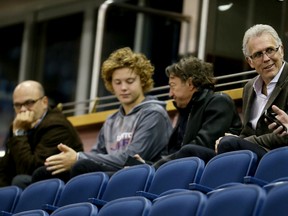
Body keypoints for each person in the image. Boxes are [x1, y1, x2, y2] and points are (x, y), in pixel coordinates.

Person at [32, 47, 173, 182]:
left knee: (82, 167)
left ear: (142, 81)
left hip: (138, 176)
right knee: (44, 173)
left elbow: (132, 158)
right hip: (110, 175)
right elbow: (96, 154)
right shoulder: (111, 120)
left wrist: (78, 157)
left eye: (130, 81)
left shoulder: (154, 114)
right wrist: (71, 159)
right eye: (117, 82)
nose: (123, 88)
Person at [136, 55, 242, 168]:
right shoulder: (186, 109)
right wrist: (147, 165)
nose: (170, 94)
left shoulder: (219, 102)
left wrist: (154, 168)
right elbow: (175, 153)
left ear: (190, 84)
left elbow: (198, 148)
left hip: (217, 169)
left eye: (173, 86)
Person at [216, 24, 288, 160]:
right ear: (250, 61)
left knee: (228, 144)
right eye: (258, 54)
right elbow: (247, 132)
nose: (266, 58)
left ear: (281, 50)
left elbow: (283, 135)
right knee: (191, 151)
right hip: (253, 153)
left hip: (278, 155)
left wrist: (242, 142)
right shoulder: (249, 88)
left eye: (270, 50)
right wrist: (238, 140)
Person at [0, 80, 83, 189]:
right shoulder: (19, 125)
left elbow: (30, 170)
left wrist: (19, 133)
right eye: (18, 105)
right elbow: (7, 166)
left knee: (20, 180)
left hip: (57, 185)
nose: (23, 110)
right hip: (32, 181)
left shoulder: (57, 126)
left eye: (29, 103)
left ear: (44, 102)